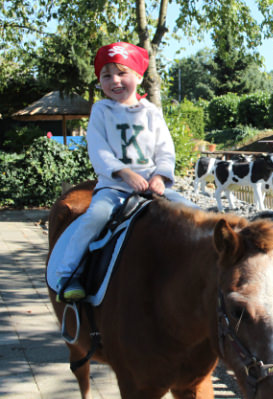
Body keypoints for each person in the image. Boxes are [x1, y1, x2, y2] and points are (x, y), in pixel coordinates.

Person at [51, 41, 191, 301]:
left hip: (153, 185)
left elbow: (165, 149)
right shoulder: (101, 110)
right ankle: (68, 273)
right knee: (95, 217)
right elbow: (99, 149)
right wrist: (125, 173)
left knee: (193, 213)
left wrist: (160, 176)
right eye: (106, 76)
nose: (114, 80)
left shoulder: (151, 112)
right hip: (114, 186)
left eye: (121, 73)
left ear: (138, 76)